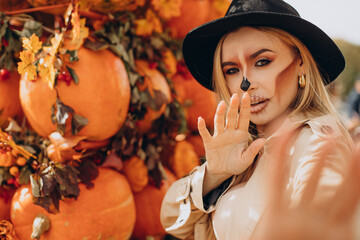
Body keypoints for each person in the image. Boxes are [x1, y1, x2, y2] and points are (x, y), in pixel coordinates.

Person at [160, 0, 354, 239]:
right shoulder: (240, 147)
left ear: (301, 63)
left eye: (262, 62)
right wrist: (214, 174)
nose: (246, 83)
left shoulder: (318, 140)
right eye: (231, 70)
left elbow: (325, 203)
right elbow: (171, 221)